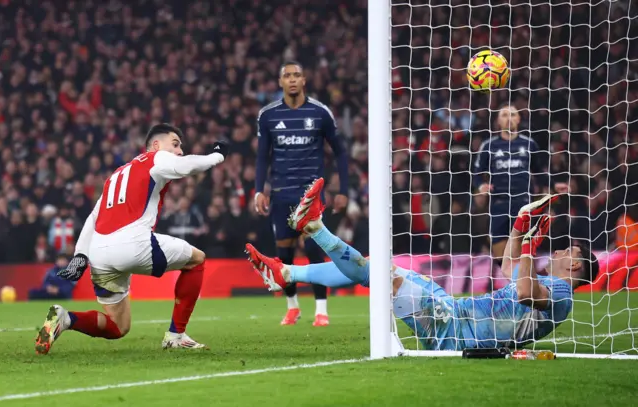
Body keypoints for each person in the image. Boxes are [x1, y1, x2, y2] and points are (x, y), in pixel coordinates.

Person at [246, 178, 599, 350]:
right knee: (381, 267)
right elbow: (509, 270)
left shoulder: (561, 295)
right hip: (453, 313)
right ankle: (286, 274)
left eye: (569, 252)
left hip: (456, 335)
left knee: (385, 278)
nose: (559, 251)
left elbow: (522, 290)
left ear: (577, 268)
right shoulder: (550, 287)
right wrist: (522, 233)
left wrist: (526, 246)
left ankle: (315, 227)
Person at [34, 124, 228, 355]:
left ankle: (65, 318)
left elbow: (93, 218)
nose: (179, 151)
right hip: (132, 244)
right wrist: (217, 155)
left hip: (99, 253)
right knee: (197, 260)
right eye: (175, 144)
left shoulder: (115, 176)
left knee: (118, 326)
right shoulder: (155, 158)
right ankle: (176, 336)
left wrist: (79, 257)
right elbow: (186, 167)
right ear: (156, 145)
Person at [254, 61, 349, 326]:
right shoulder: (268, 115)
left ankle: (321, 310)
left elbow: (340, 152)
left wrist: (343, 190)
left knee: (313, 249)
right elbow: (262, 156)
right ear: (280, 81)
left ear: (304, 80)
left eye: (297, 75)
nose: (293, 80)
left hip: (311, 194)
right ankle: (292, 306)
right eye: (287, 76)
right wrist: (258, 190)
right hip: (281, 193)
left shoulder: (320, 113)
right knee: (283, 253)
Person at [473, 105, 568, 262]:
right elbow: (476, 172)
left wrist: (553, 185)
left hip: (522, 204)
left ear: (518, 119)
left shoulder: (529, 144)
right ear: (498, 121)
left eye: (512, 114)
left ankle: (519, 284)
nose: (508, 118)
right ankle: (510, 281)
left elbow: (538, 171)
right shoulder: (488, 146)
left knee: (520, 251)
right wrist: (480, 185)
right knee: (500, 255)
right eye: (504, 115)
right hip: (498, 203)